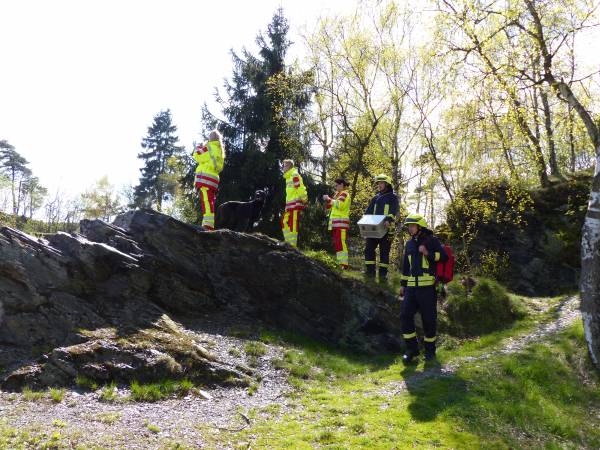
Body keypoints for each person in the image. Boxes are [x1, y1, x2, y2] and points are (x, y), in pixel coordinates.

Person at [399, 213, 449, 363]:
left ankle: (430, 352)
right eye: (409, 226)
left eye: (412, 226)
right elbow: (406, 266)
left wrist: (428, 253)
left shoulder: (432, 240)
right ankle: (412, 350)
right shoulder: (409, 244)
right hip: (411, 289)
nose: (410, 228)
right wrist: (403, 284)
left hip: (427, 288)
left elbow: (444, 257)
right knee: (405, 316)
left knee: (429, 320)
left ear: (420, 227)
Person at [364, 174, 399, 282]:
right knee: (369, 249)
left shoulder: (393, 197)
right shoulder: (375, 198)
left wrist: (388, 219)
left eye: (382, 183)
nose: (379, 185)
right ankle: (370, 272)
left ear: (387, 184)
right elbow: (368, 212)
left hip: (387, 230)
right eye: (378, 183)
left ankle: (383, 275)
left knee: (384, 252)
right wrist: (364, 222)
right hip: (373, 228)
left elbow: (394, 210)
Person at [193, 129, 225, 230]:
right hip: (214, 180)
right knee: (210, 201)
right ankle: (208, 224)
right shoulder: (220, 150)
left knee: (206, 201)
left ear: (210, 138)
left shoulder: (209, 147)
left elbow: (197, 155)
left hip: (205, 179)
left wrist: (198, 146)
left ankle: (208, 225)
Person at [323, 178, 351, 269]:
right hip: (336, 224)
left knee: (341, 243)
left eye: (336, 185)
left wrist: (329, 199)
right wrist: (328, 200)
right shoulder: (337, 194)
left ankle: (344, 264)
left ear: (342, 185)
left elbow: (340, 205)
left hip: (341, 223)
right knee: (338, 243)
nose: (335, 187)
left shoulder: (344, 194)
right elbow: (329, 207)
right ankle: (340, 263)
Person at [281, 159, 308, 247]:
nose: (282, 168)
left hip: (296, 204)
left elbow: (300, 188)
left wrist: (304, 199)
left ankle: (292, 245)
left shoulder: (294, 174)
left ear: (288, 166)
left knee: (293, 224)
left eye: (284, 166)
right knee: (284, 221)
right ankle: (288, 243)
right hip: (289, 205)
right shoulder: (288, 177)